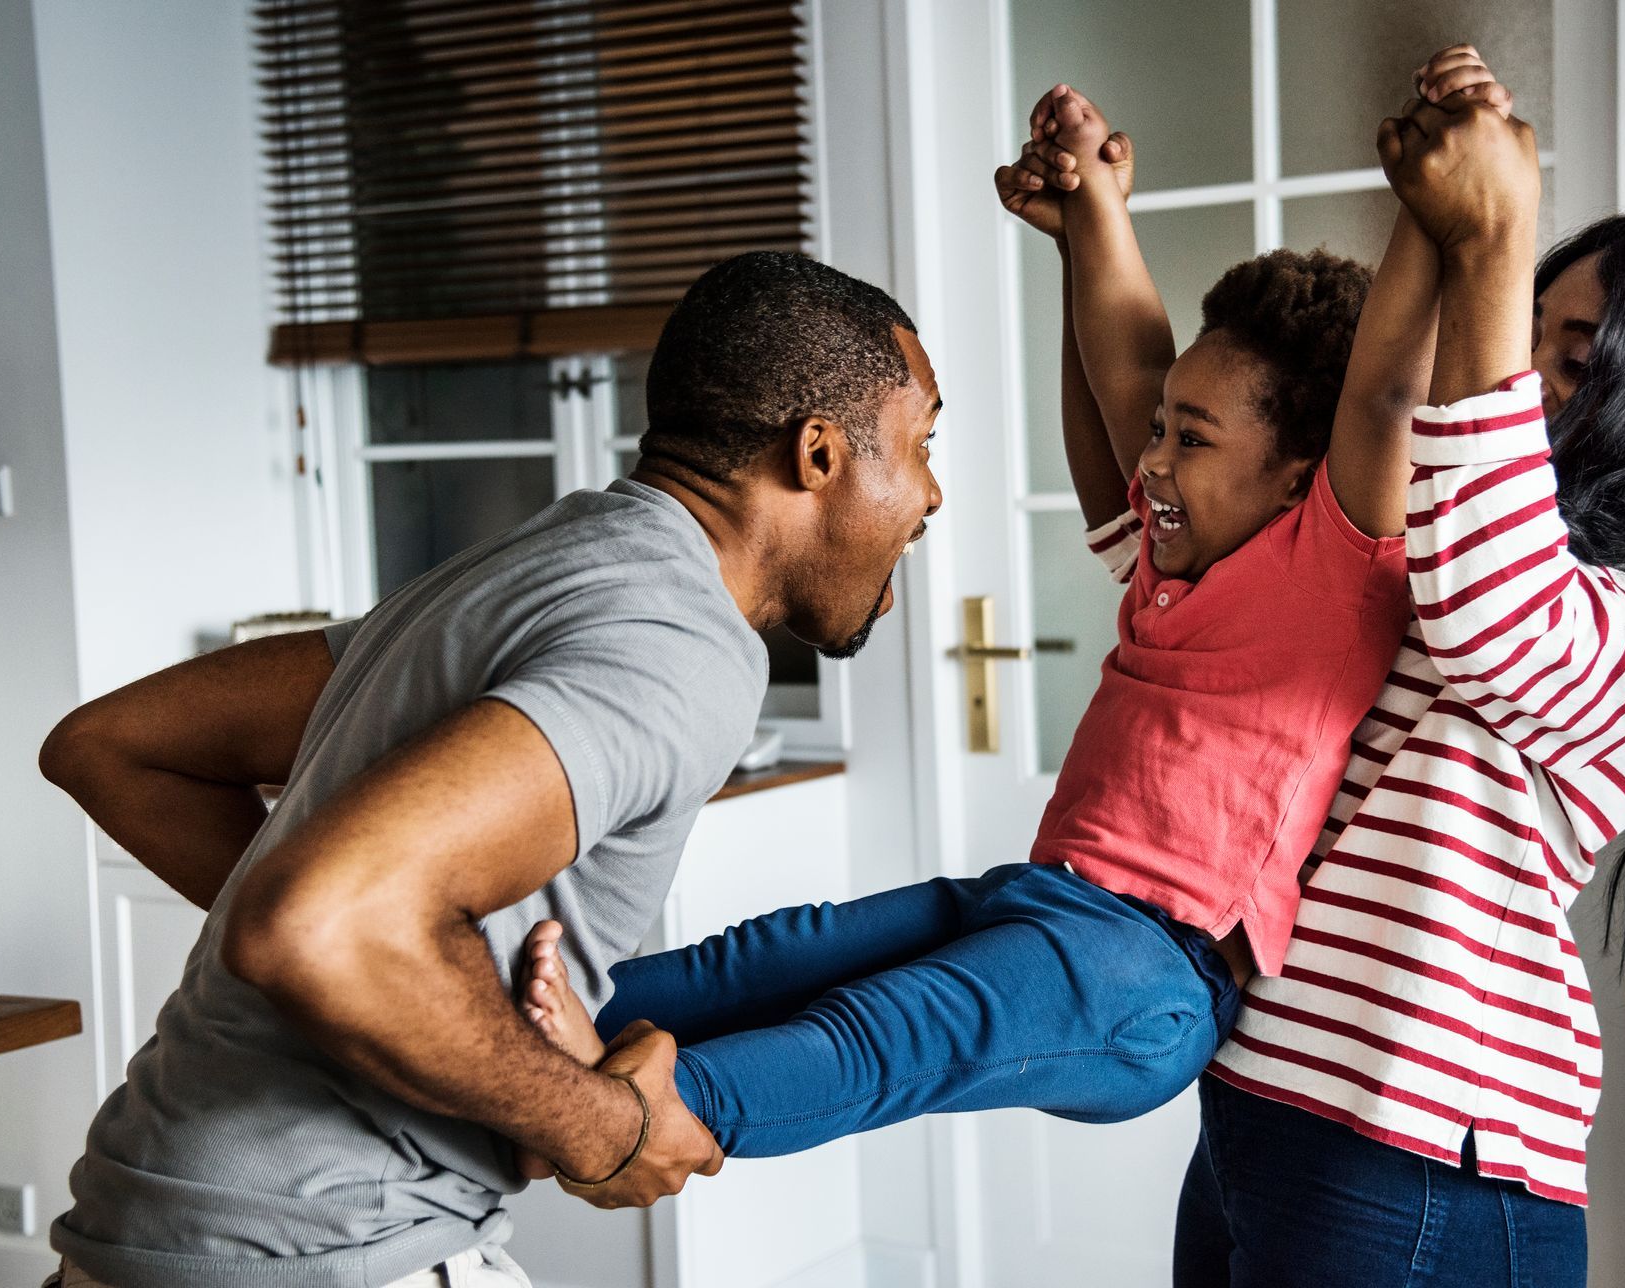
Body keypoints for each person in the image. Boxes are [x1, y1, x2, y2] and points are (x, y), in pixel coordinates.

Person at [506, 63, 1488, 1169]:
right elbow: (1130, 359)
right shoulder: (1179, 556)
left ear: (1302, 471)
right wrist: (1091, 215)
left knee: (890, 1031)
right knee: (786, 953)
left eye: (1192, 439)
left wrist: (1429, 214)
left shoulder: (1329, 567)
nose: (1152, 460)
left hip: (1149, 975)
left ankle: (620, 1111)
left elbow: (1383, 396)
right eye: (1162, 429)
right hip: (1048, 900)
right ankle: (535, 1007)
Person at [1021, 50, 1625, 1288]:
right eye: (1527, 334)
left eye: (1565, 358)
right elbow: (1162, 479)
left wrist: (1492, 237)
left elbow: (1499, 625)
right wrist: (1093, 228)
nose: (1512, 378)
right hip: (1256, 1109)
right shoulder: (1439, 530)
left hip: (1424, 1162)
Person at [37, 251, 943, 1288]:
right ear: (818, 454)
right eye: (923, 443)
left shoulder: (524, 571)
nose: (933, 493)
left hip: (134, 1230)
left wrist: (400, 963)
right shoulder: (678, 642)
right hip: (328, 1255)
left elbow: (111, 747)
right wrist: (604, 1125)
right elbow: (312, 923)